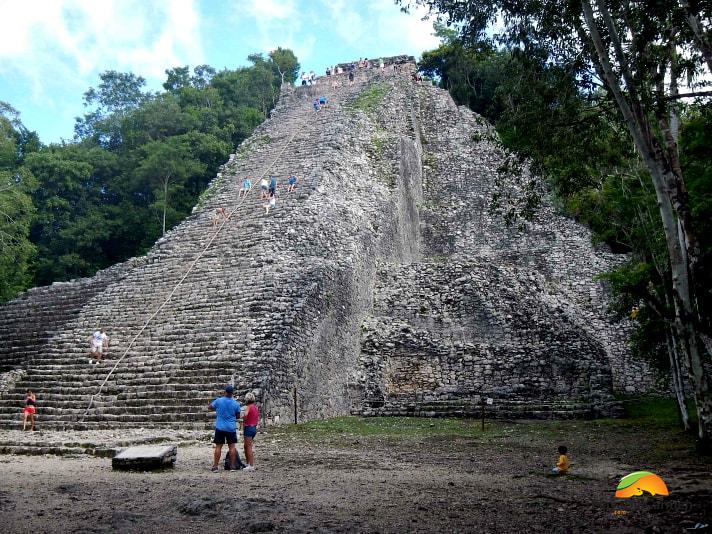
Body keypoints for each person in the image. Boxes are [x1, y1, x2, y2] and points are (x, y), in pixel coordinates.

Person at [209, 385, 241, 472]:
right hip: (231, 427)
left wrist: (218, 410)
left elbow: (210, 407)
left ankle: (215, 466)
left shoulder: (219, 401)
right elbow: (238, 416)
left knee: (218, 446)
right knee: (232, 447)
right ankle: (233, 466)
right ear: (232, 393)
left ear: (225, 392)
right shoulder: (236, 403)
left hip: (220, 427)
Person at [241, 392, 259, 470]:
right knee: (246, 446)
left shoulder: (248, 407)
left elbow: (245, 415)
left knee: (248, 447)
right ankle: (248, 463)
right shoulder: (255, 407)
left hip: (248, 427)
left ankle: (251, 465)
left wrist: (244, 419)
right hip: (254, 427)